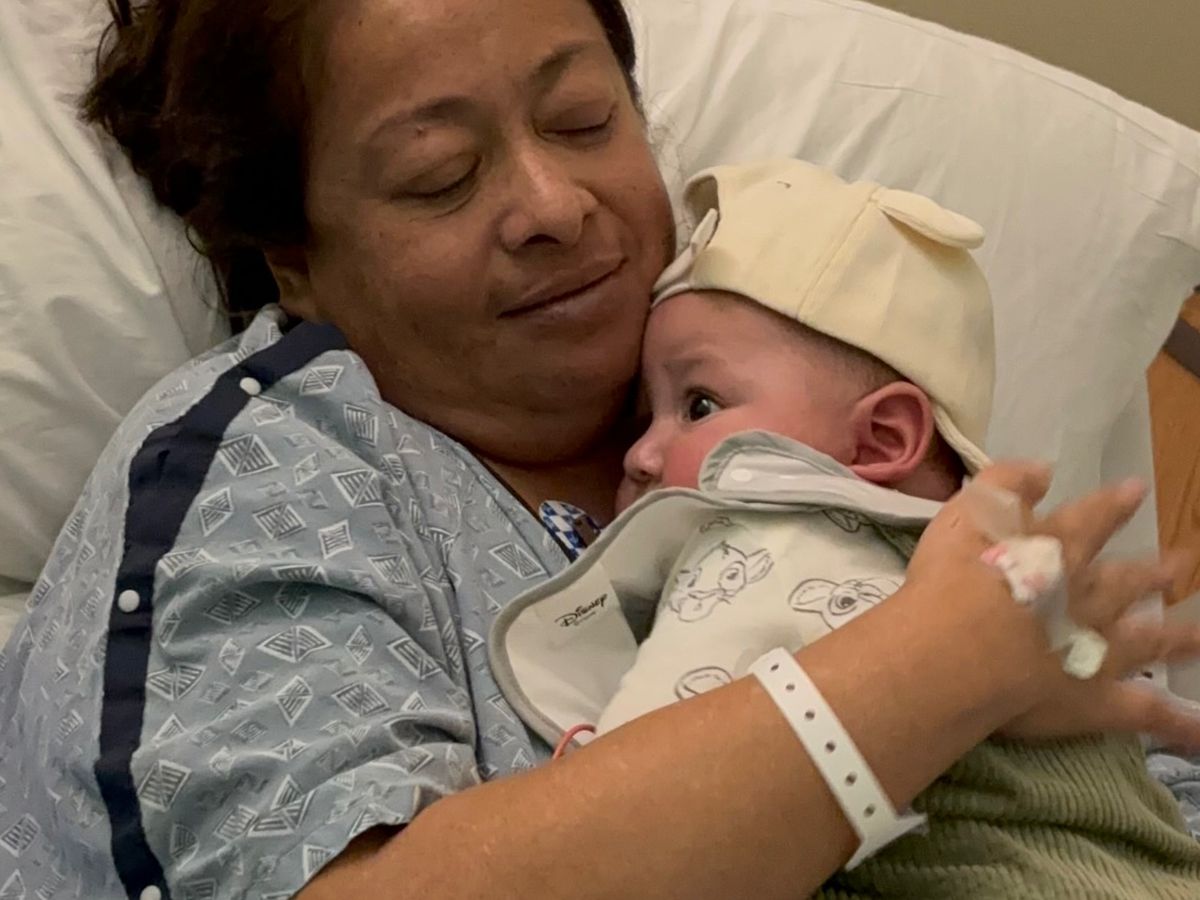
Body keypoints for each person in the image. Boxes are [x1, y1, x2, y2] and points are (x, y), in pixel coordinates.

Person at [0, 1, 1197, 898]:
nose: (554, 206)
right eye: (440, 177)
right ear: (297, 261)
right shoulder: (276, 468)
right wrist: (924, 675)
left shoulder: (771, 381)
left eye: (583, 121)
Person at [486, 159, 1200, 897]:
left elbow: (641, 808)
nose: (639, 453)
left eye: (698, 406)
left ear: (882, 439)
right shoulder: (1005, 575)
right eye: (645, 416)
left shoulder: (766, 542)